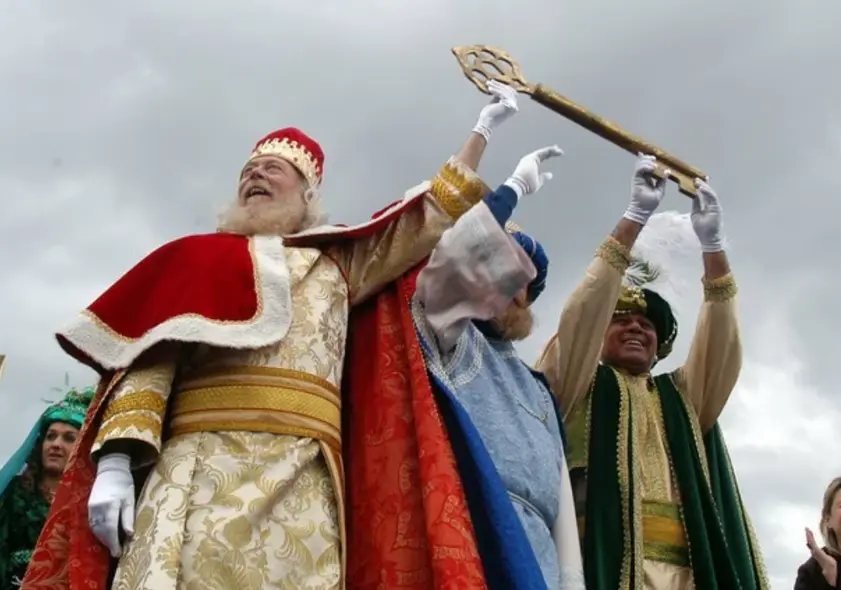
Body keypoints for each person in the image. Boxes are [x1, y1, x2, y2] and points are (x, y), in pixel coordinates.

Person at [22, 81, 525, 590]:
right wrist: (114, 462)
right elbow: (149, 360)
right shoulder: (196, 259)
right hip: (198, 473)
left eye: (272, 169)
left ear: (308, 194)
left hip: (307, 484)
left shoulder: (339, 264)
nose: (254, 175)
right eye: (247, 171)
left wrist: (481, 132)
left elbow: (422, 220)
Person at [535, 156, 768, 589]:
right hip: (594, 567)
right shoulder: (575, 384)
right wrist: (634, 218)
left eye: (647, 325)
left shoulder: (680, 398)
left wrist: (713, 248)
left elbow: (721, 350)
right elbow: (581, 318)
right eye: (621, 320)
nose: (637, 327)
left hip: (689, 575)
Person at [411, 143, 586, 589]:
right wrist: (511, 190)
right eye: (496, 271)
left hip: (538, 562)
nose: (507, 288)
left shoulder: (538, 389)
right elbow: (451, 260)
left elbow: (562, 509)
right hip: (468, 535)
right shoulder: (450, 336)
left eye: (520, 283)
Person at [0, 385, 92, 589]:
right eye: (51, 436)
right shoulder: (14, 492)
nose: (56, 444)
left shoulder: (91, 502)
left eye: (69, 438)